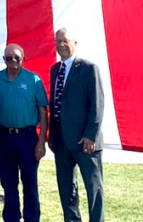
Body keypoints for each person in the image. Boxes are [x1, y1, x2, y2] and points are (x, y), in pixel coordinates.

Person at [48, 28, 104, 222]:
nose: (61, 45)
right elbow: (55, 104)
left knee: (93, 187)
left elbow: (97, 104)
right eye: (58, 41)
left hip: (85, 141)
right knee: (66, 187)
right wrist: (52, 136)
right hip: (61, 141)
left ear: (75, 43)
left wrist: (91, 135)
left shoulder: (89, 68)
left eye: (65, 41)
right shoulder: (55, 70)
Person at [0, 44, 48, 222]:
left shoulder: (33, 80)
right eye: (9, 58)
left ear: (23, 59)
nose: (13, 61)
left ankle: (32, 218)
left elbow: (43, 111)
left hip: (27, 137)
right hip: (4, 137)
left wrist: (41, 141)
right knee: (8, 183)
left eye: (17, 58)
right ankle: (11, 218)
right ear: (3, 59)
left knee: (29, 183)